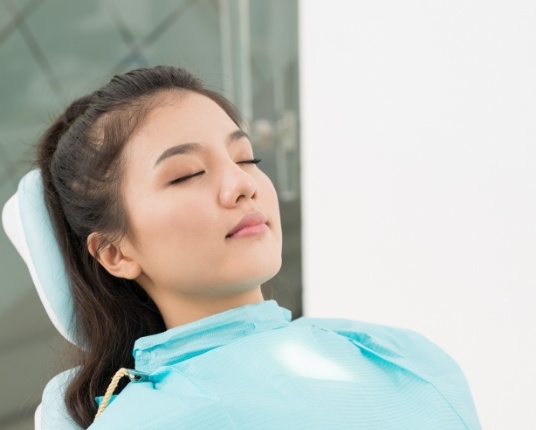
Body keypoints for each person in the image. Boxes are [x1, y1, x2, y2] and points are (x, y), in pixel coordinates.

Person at [31, 65, 480, 429]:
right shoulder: (152, 419)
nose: (242, 184)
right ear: (116, 252)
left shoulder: (402, 354)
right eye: (187, 173)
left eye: (246, 158)